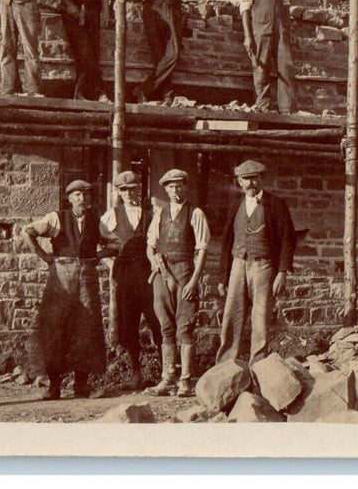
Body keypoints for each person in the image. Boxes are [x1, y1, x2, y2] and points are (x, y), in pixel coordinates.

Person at [22, 180, 120, 400]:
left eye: (86, 195)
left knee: (86, 328)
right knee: (56, 326)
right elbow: (26, 232)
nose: (82, 199)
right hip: (62, 277)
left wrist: (99, 255)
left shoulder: (96, 221)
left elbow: (116, 243)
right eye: (77, 195)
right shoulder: (57, 218)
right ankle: (54, 385)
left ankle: (82, 385)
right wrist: (45, 257)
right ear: (69, 198)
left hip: (87, 276)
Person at [215, 160, 296, 366]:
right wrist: (223, 277)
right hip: (238, 263)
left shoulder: (275, 204)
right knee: (231, 314)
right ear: (239, 182)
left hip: (263, 265)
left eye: (254, 178)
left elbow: (288, 239)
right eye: (245, 179)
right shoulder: (236, 206)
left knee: (260, 317)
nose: (250, 183)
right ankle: (225, 365)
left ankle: (257, 365)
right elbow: (227, 242)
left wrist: (282, 272)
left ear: (261, 179)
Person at [144, 169, 210, 397]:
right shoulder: (160, 215)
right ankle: (167, 379)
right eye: (171, 187)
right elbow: (150, 245)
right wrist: (155, 262)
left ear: (186, 187)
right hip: (162, 274)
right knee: (166, 327)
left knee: (185, 327)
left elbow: (202, 249)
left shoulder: (196, 213)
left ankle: (185, 381)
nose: (175, 191)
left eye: (179, 186)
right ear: (165, 189)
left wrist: (193, 281)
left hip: (184, 272)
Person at [100, 170, 161, 390]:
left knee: (157, 319)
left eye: (132, 189)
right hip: (124, 275)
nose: (128, 193)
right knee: (128, 323)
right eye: (123, 190)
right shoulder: (112, 215)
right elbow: (99, 243)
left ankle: (165, 372)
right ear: (118, 192)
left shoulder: (152, 213)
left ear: (139, 189)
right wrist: (112, 264)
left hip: (148, 273)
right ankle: (136, 374)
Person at [239, 0, 297, 113]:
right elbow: (244, 7)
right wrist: (248, 36)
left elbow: (286, 3)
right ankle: (263, 105)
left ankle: (287, 108)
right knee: (261, 67)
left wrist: (288, 28)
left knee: (285, 67)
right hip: (260, 27)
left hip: (280, 28)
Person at [133, 0, 188, 105]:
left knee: (174, 53)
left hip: (172, 11)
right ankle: (167, 96)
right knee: (158, 54)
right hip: (152, 11)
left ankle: (143, 89)